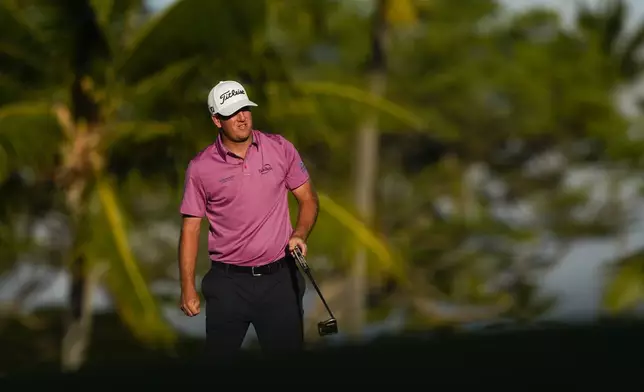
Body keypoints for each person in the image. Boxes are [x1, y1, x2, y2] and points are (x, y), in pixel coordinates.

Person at [177, 80, 319, 362]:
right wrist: (187, 287)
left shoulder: (280, 148)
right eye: (233, 112)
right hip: (228, 284)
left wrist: (300, 233)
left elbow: (308, 199)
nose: (242, 117)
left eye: (245, 109)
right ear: (217, 120)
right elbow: (190, 229)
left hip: (280, 280)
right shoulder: (201, 167)